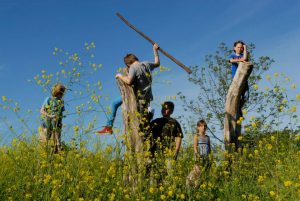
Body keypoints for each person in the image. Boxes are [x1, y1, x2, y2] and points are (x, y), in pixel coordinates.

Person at [115, 43, 160, 129]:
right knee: (144, 120)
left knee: (138, 122)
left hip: (139, 98)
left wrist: (120, 75)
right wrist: (155, 51)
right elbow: (157, 63)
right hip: (147, 96)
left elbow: (129, 81)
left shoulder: (133, 67)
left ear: (128, 64)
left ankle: (150, 116)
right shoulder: (146, 64)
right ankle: (149, 116)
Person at [39, 83, 66, 153]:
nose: (62, 95)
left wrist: (60, 123)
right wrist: (50, 116)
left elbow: (61, 113)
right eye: (60, 93)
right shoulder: (49, 99)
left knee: (56, 147)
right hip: (47, 125)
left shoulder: (61, 102)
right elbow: (41, 110)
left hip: (57, 126)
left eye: (62, 93)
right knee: (45, 144)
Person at [186, 119, 211, 188]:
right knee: (197, 171)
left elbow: (209, 148)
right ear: (198, 127)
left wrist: (210, 158)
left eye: (204, 126)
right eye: (201, 126)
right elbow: (195, 147)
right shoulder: (196, 136)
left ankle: (200, 187)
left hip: (206, 158)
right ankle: (190, 184)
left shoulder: (208, 137)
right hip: (199, 157)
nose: (203, 128)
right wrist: (197, 156)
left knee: (204, 173)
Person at [229, 40, 250, 112]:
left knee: (246, 96)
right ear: (234, 48)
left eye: (241, 48)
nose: (240, 49)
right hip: (235, 77)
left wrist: (245, 48)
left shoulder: (244, 54)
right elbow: (231, 60)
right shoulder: (232, 55)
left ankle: (239, 108)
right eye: (238, 47)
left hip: (244, 78)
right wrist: (242, 59)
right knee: (236, 94)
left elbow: (246, 58)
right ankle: (235, 108)